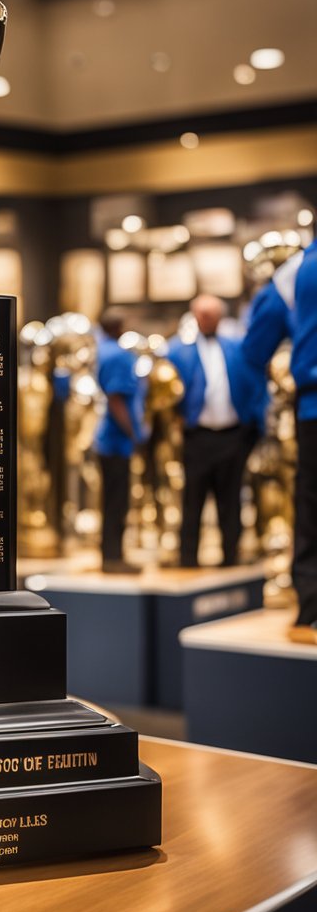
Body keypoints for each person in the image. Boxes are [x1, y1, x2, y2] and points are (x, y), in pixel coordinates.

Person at [242, 237, 317, 642]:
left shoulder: (292, 273)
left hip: (311, 408)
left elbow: (255, 349)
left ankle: (310, 612)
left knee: (310, 509)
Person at [167, 294, 264, 568]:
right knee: (193, 500)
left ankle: (230, 558)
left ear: (220, 316)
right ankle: (188, 560)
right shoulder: (177, 350)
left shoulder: (237, 347)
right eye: (202, 314)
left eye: (211, 314)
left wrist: (253, 426)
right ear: (194, 316)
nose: (206, 319)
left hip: (233, 435)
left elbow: (254, 383)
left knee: (230, 500)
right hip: (197, 435)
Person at [93, 308, 145, 573]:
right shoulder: (118, 356)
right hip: (115, 441)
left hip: (111, 440)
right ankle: (113, 558)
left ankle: (112, 555)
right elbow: (116, 399)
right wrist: (134, 433)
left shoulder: (105, 350)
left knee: (114, 500)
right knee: (117, 502)